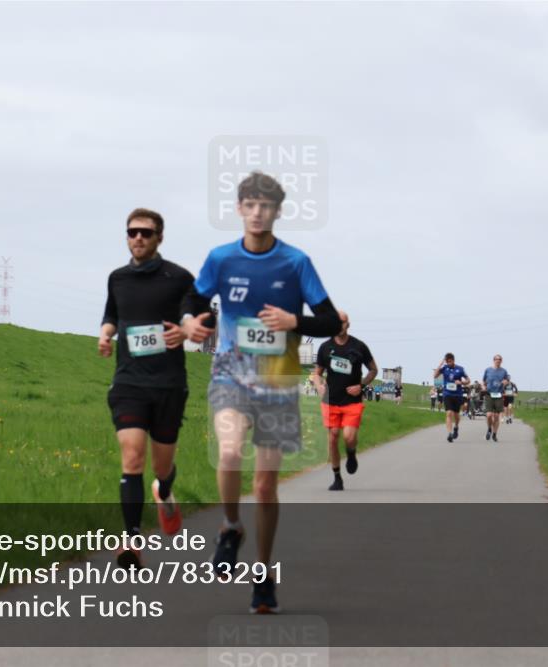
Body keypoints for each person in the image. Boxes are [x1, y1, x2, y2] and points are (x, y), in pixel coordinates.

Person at [181, 171, 341, 614]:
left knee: (266, 486)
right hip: (230, 376)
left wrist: (296, 322)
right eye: (249, 205)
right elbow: (192, 300)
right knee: (229, 453)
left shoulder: (295, 263)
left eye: (265, 206)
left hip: (277, 383)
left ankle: (263, 574)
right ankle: (231, 527)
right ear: (238, 209)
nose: (256, 213)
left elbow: (330, 321)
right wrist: (193, 321)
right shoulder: (221, 258)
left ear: (276, 211)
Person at [100, 208, 194, 569]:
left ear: (159, 238)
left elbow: (196, 314)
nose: (138, 238)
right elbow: (111, 314)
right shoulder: (117, 279)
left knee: (161, 465)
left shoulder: (179, 278)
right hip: (128, 382)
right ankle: (132, 540)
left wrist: (185, 330)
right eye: (132, 232)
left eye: (146, 233)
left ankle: (165, 490)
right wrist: (106, 334)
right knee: (133, 457)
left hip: (169, 384)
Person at [310, 311, 377, 491]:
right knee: (332, 438)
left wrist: (361, 385)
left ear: (348, 324)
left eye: (343, 322)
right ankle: (337, 478)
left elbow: (373, 370)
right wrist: (318, 385)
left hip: (351, 400)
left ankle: (351, 453)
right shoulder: (325, 347)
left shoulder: (359, 346)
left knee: (348, 436)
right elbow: (317, 373)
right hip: (330, 399)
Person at [433, 353, 469, 442]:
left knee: (456, 415)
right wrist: (440, 364)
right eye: (447, 361)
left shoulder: (460, 369)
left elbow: (468, 380)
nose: (448, 363)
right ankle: (449, 433)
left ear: (453, 360)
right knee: (449, 413)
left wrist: (461, 383)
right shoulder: (444, 368)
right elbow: (435, 376)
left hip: (457, 395)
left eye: (450, 361)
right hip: (447, 394)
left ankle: (456, 427)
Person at [482, 354, 511, 443]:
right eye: (496, 359)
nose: (498, 360)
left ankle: (494, 434)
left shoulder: (504, 371)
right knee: (489, 415)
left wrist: (505, 382)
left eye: (499, 359)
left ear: (501, 361)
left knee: (497, 416)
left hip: (499, 395)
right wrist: (483, 387)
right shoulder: (488, 370)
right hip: (489, 394)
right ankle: (489, 429)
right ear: (493, 360)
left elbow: (507, 380)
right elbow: (483, 381)